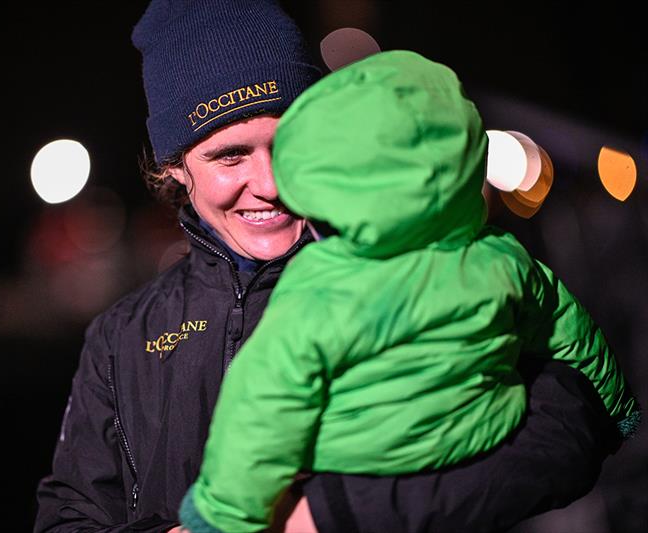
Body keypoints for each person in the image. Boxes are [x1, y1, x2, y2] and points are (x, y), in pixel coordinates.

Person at [34, 2, 630, 532]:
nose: (268, 184)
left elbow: (574, 428)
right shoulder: (121, 337)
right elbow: (69, 517)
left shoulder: (421, 266)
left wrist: (331, 513)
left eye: (288, 143)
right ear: (173, 169)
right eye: (229, 155)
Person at [178, 50, 641, 533]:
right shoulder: (503, 258)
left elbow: (262, 408)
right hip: (484, 434)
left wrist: (220, 515)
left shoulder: (320, 287)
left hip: (359, 464)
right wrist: (617, 409)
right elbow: (573, 334)